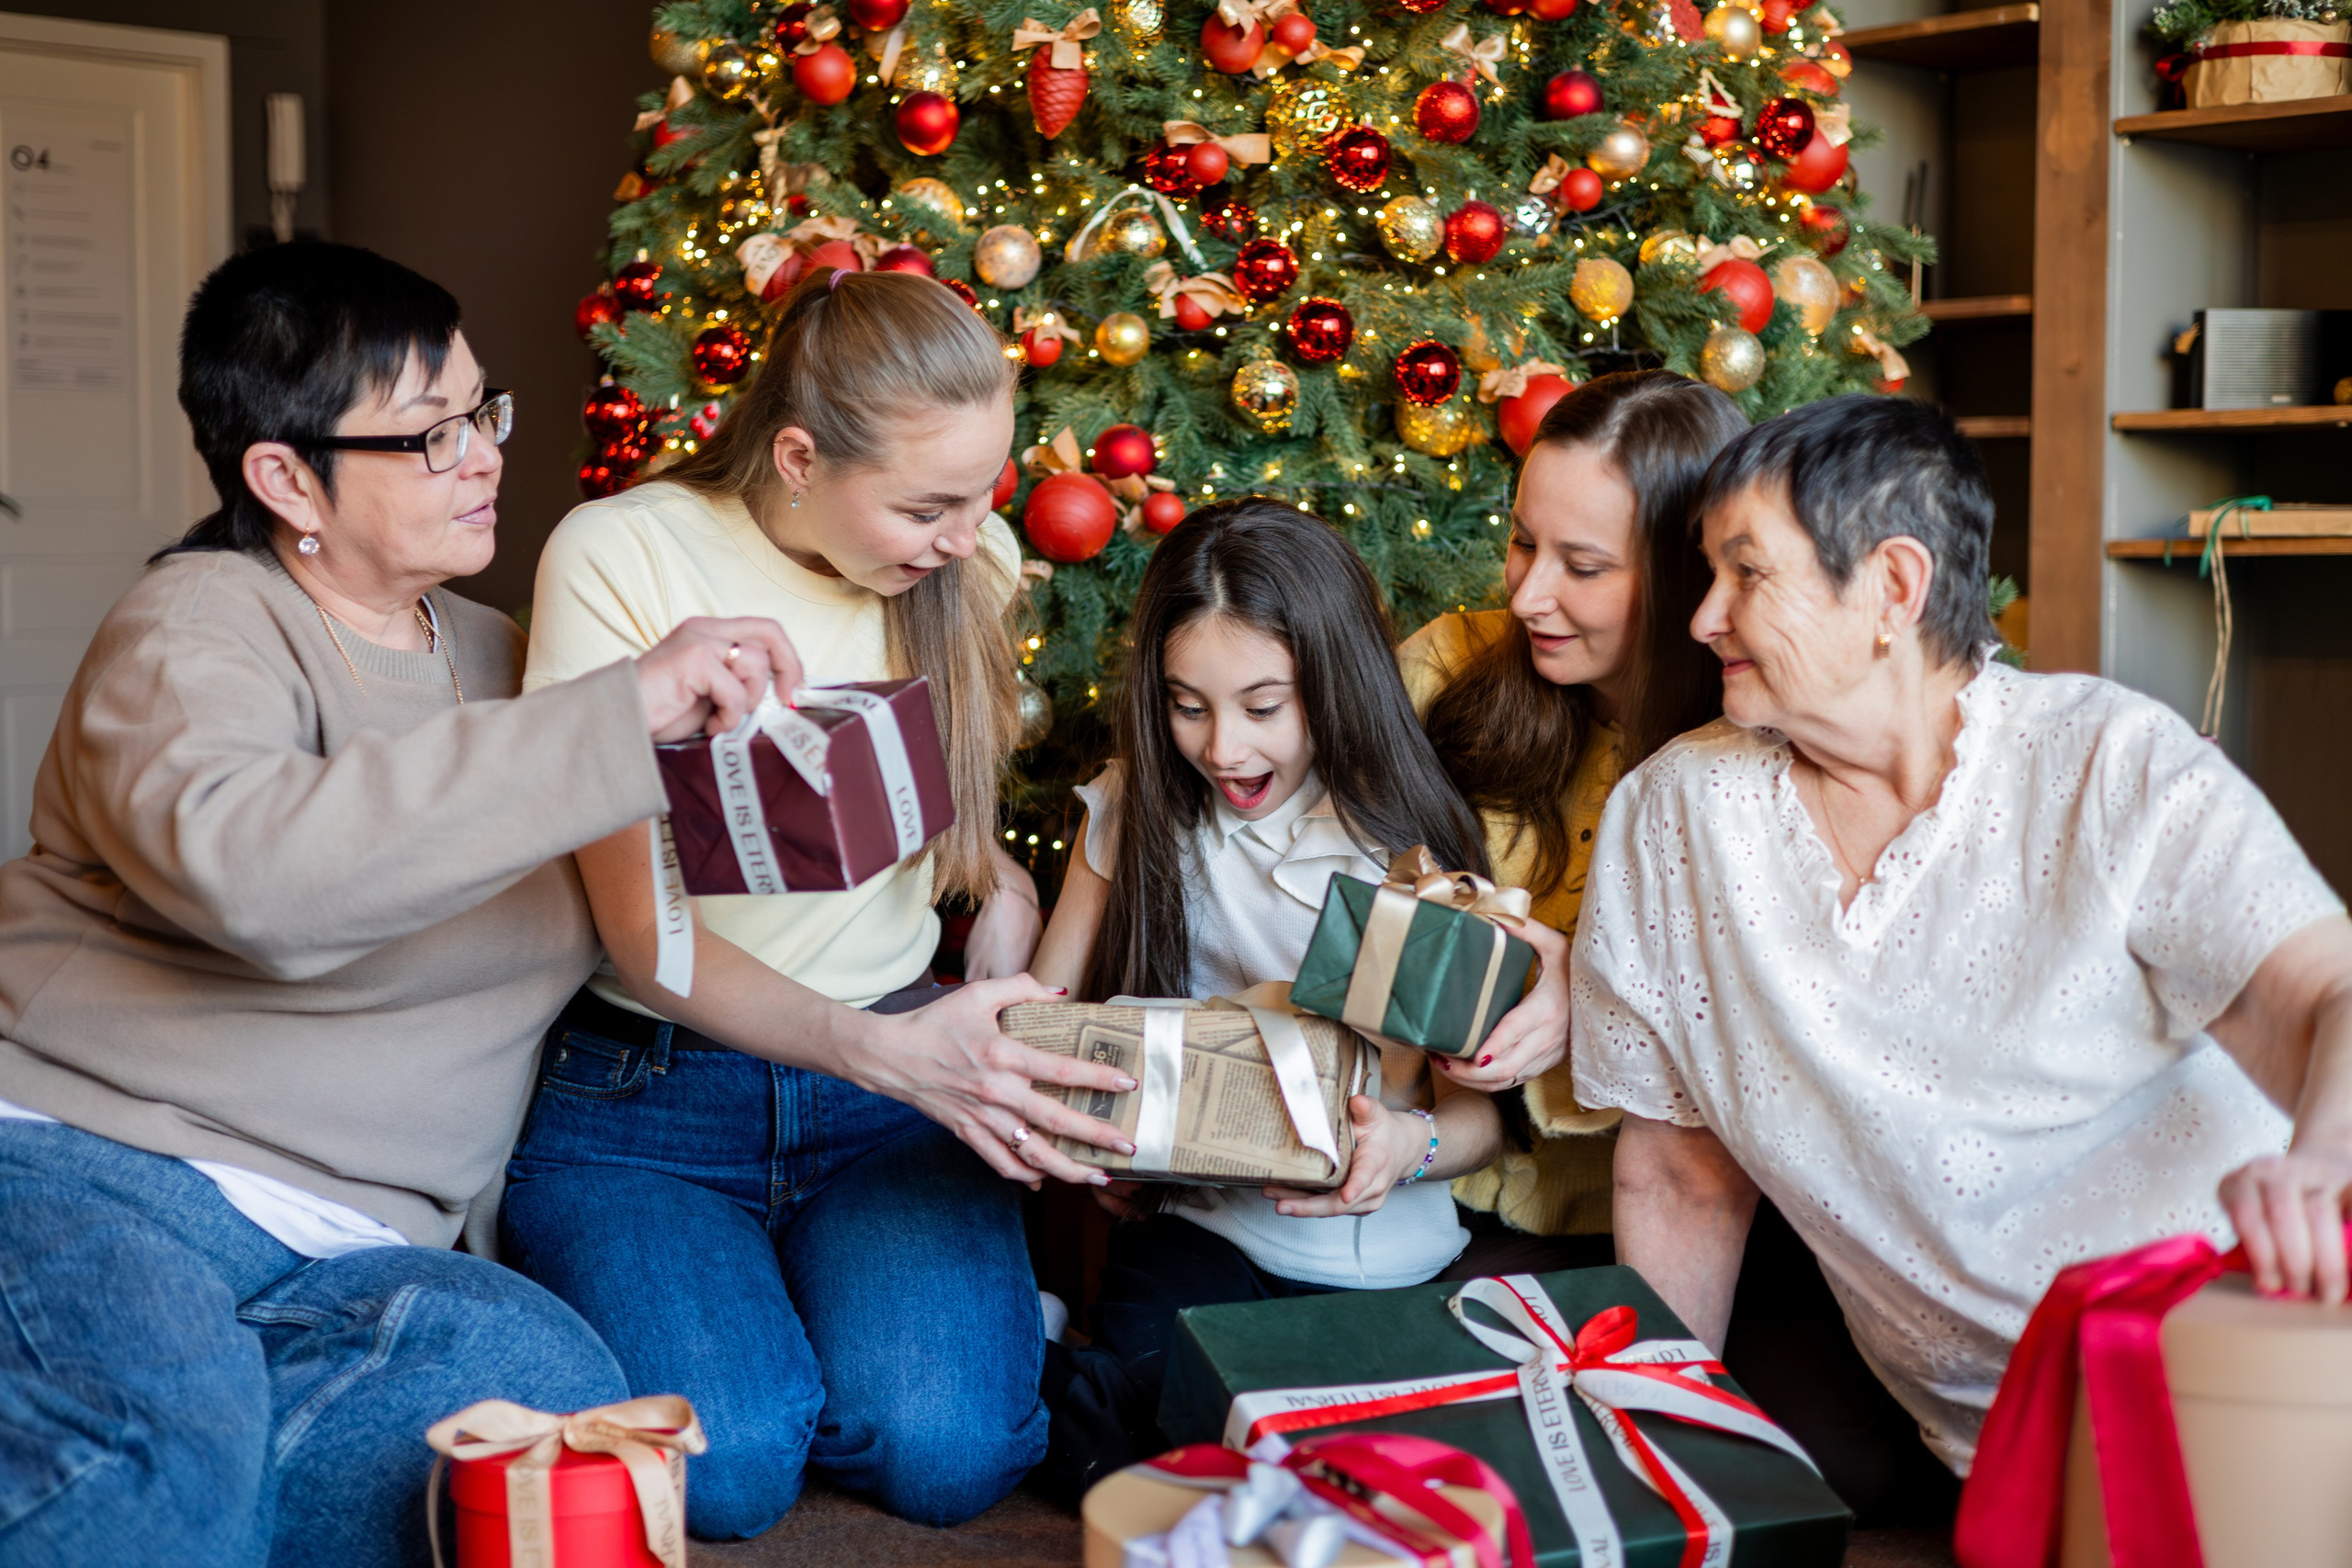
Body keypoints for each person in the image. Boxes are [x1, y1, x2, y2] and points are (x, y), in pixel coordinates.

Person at [0, 243, 801, 1568]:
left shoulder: (515, 658)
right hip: (99, 1169)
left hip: (362, 1251)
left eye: (483, 412)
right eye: (429, 436)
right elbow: (263, 881)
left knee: (543, 1411)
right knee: (154, 1466)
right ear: (284, 476)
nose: (483, 455)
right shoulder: (195, 624)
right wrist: (617, 714)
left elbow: (638, 911)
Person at [1571, 395, 2352, 1507]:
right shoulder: (1671, 816)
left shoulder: (2107, 762)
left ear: (1894, 586)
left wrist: (2326, 1161)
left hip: (2245, 1377)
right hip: (1998, 1445)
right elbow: (1680, 1177)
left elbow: (2325, 989)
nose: (1702, 618)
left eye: (1746, 573)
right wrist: (1643, 1463)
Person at [503, 268, 1134, 1538]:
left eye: (985, 492)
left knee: (947, 1451)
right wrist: (895, 1054)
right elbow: (644, 935)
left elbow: (927, 827)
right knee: (729, 1470)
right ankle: (762, 1326)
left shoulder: (970, 565)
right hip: (652, 1090)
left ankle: (851, 1318)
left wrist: (998, 898)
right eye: (926, 503)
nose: (968, 533)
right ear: (798, 456)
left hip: (883, 1084)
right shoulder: (624, 553)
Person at [1025, 498, 1516, 1501]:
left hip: (1385, 1257)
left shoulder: (1407, 856)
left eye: (1263, 706)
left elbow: (1479, 1120)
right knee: (1146, 1463)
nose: (1222, 751)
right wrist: (1090, 1134)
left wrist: (1407, 1149)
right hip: (1203, 1230)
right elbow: (1040, 1020)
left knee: (1342, 1486)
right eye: (1186, 704)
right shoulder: (1135, 807)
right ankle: (1034, 1349)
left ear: (1330, 685)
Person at [1401, 369, 1740, 1258]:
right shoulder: (1445, 667)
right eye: (1521, 543)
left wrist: (1586, 995)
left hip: (1667, 1218)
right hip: (1422, 1186)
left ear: (1690, 580)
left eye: (1582, 566)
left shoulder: (1748, 754)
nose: (1526, 597)